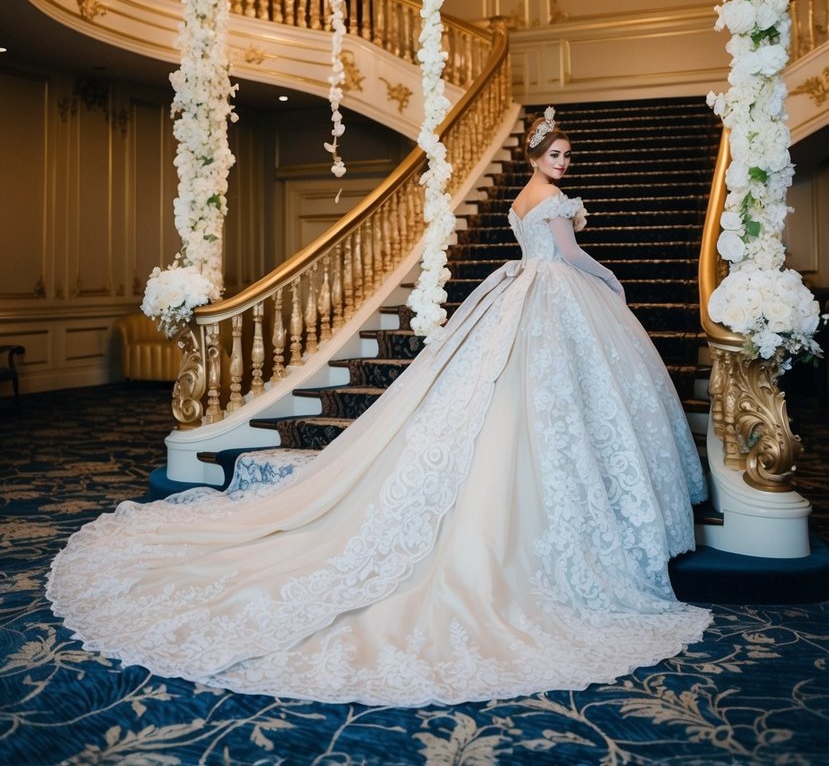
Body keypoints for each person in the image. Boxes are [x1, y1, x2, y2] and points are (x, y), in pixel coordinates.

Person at [47, 106, 711, 706]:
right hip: (554, 295)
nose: (562, 165)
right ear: (538, 155)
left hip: (520, 294)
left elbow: (538, 245)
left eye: (565, 157)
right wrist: (608, 278)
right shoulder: (556, 201)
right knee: (542, 401)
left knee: (520, 402)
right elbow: (568, 254)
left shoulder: (519, 198)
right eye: (555, 155)